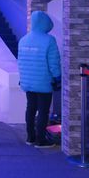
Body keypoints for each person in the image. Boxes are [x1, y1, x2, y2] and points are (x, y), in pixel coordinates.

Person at [17, 11, 61, 148]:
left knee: (30, 108)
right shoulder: (49, 40)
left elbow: (21, 62)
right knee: (43, 110)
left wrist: (23, 78)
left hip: (28, 82)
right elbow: (53, 63)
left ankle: (30, 137)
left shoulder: (23, 40)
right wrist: (57, 77)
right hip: (43, 82)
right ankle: (41, 140)